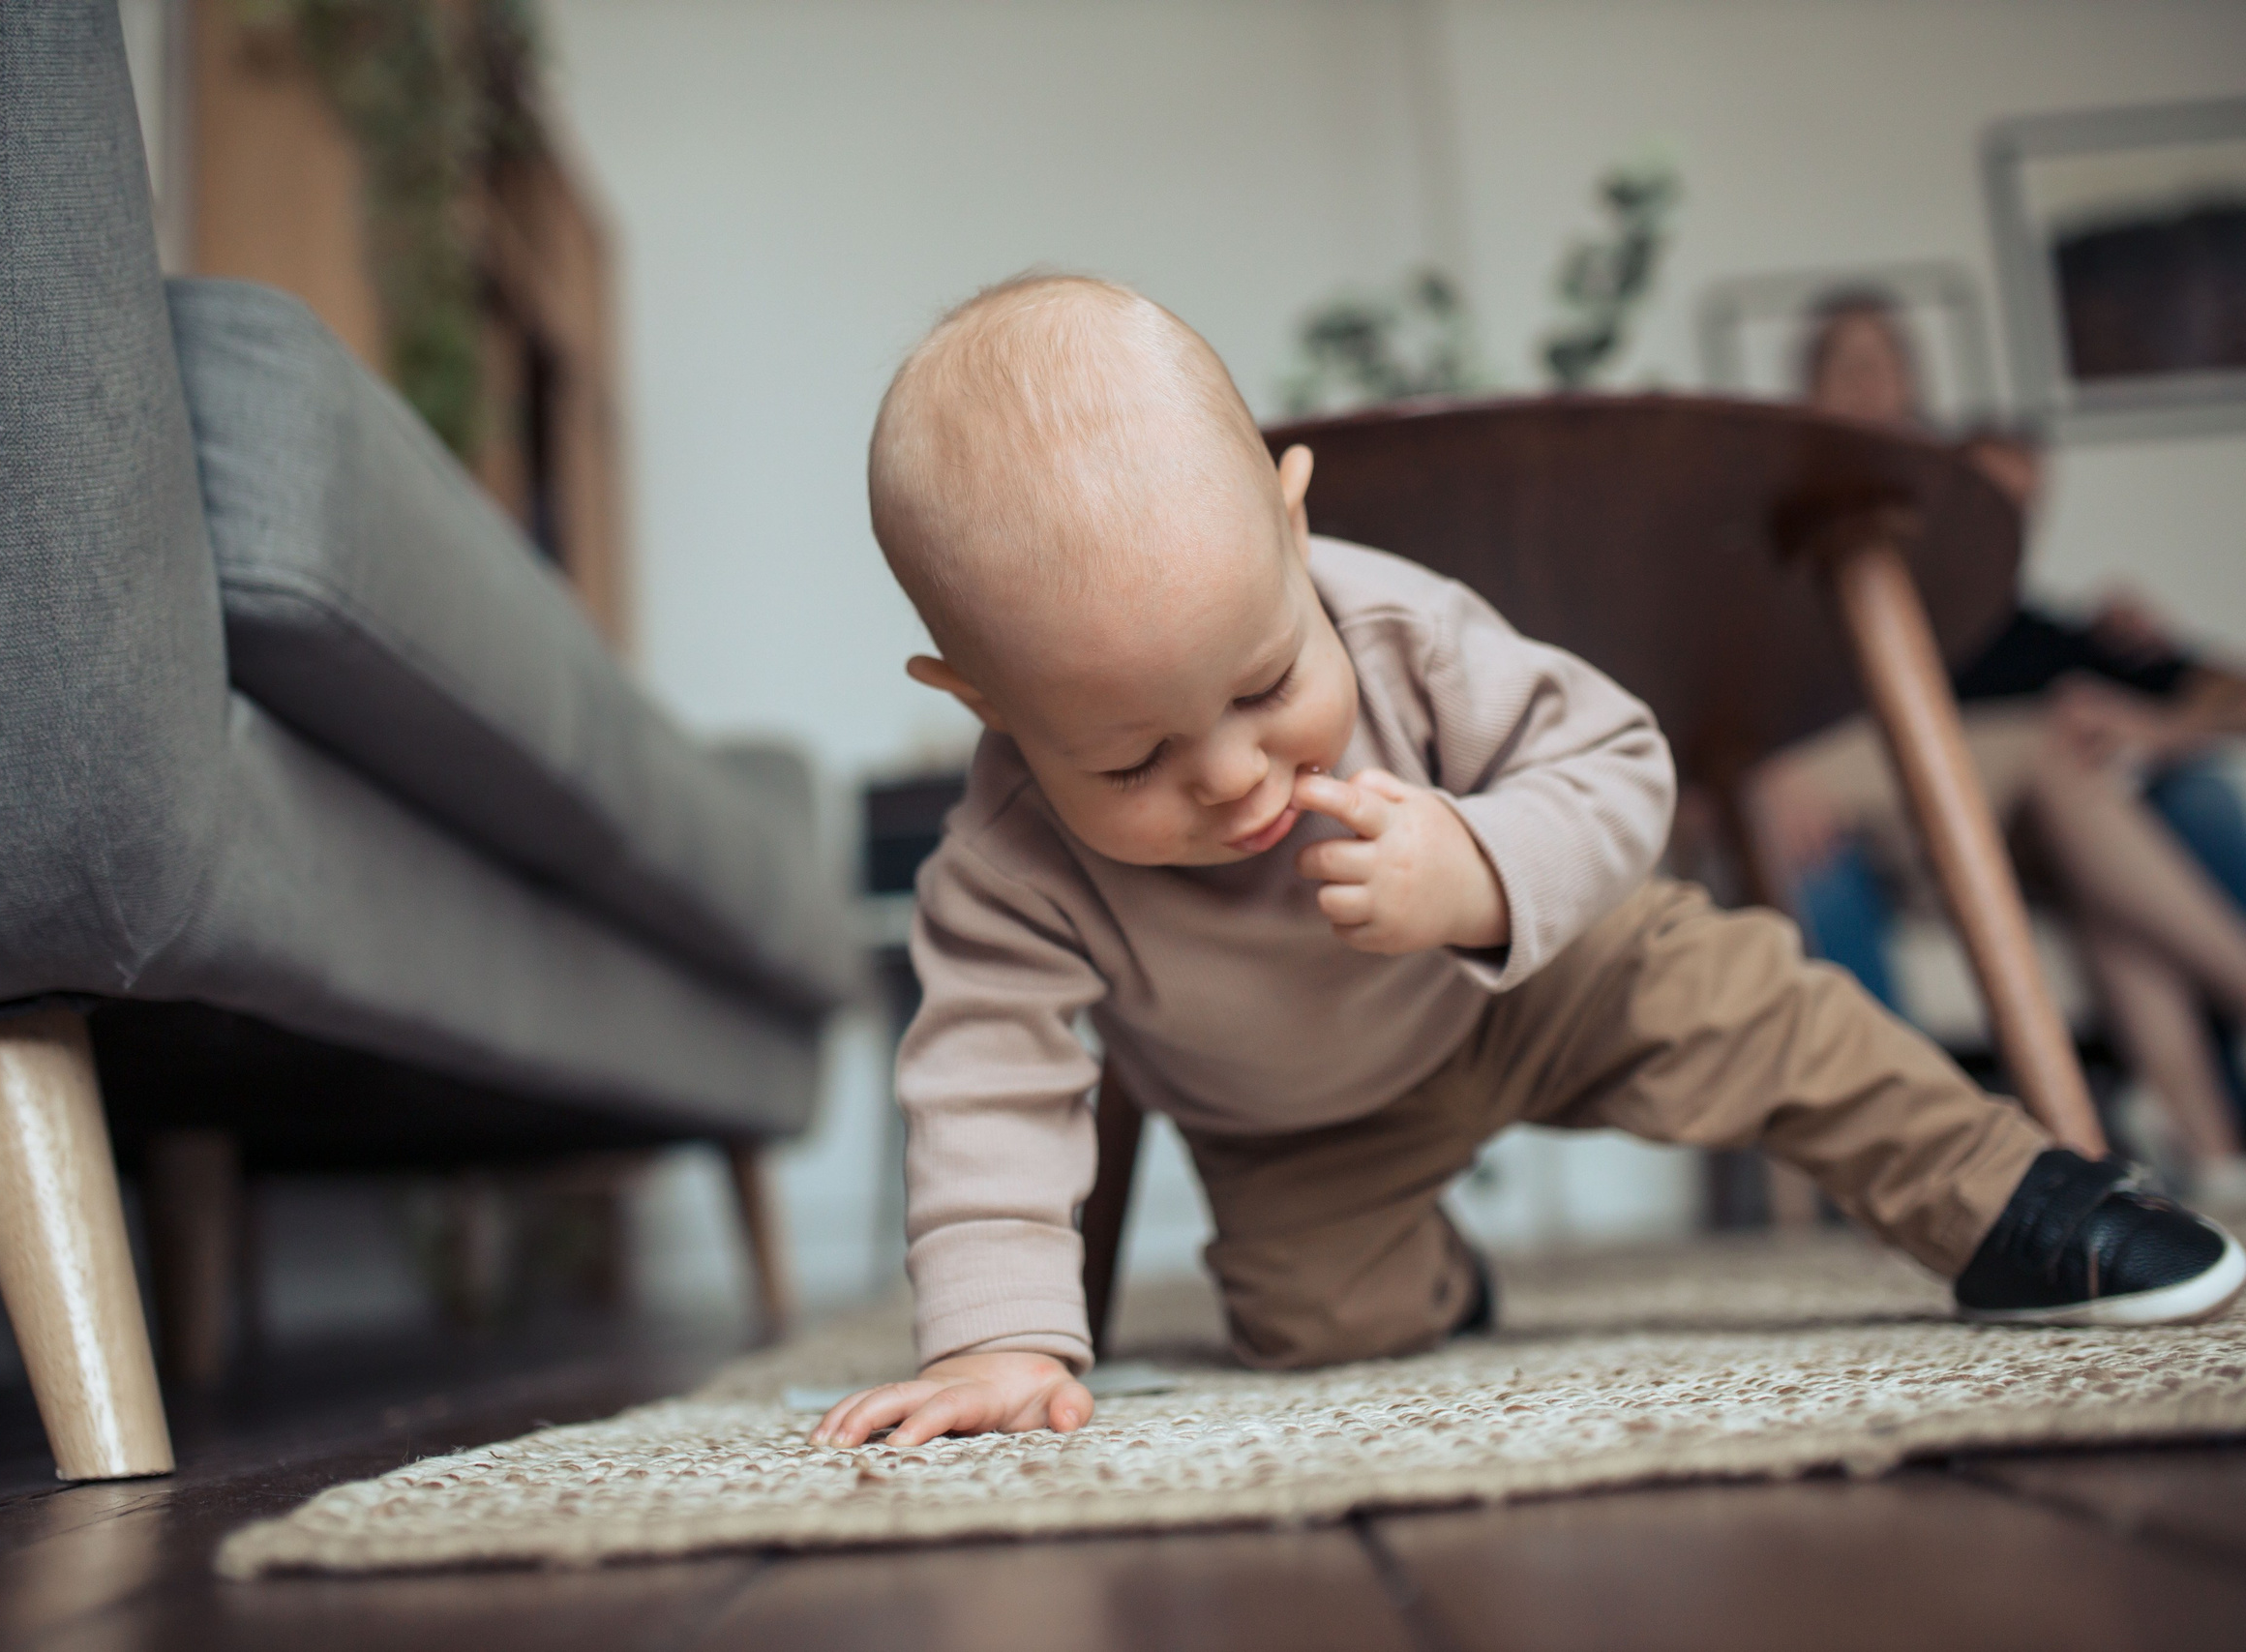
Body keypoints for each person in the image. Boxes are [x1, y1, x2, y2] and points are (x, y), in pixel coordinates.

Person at [809, 275, 2241, 1451]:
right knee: (1314, 1323)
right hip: (1303, 1123)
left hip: (1560, 973)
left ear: (1291, 522)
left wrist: (1480, 866)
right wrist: (995, 1342)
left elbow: (1621, 761)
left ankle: (2009, 1198)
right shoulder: (1004, 863)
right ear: (987, 703)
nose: (1234, 774)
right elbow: (985, 1082)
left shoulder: (1400, 627)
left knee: (1774, 1018)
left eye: (1264, 684)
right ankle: (1445, 1280)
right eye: (1129, 761)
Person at [1760, 289, 2246, 1199]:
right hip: (1895, 842)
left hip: (2032, 848)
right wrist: (1770, 771)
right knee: (2052, 743)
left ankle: (2214, 1157)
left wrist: (2157, 724)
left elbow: (2226, 691)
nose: (1868, 382)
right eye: (1846, 364)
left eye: (1885, 362)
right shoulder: (1791, 568)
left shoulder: (2042, 630)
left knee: (2110, 882)